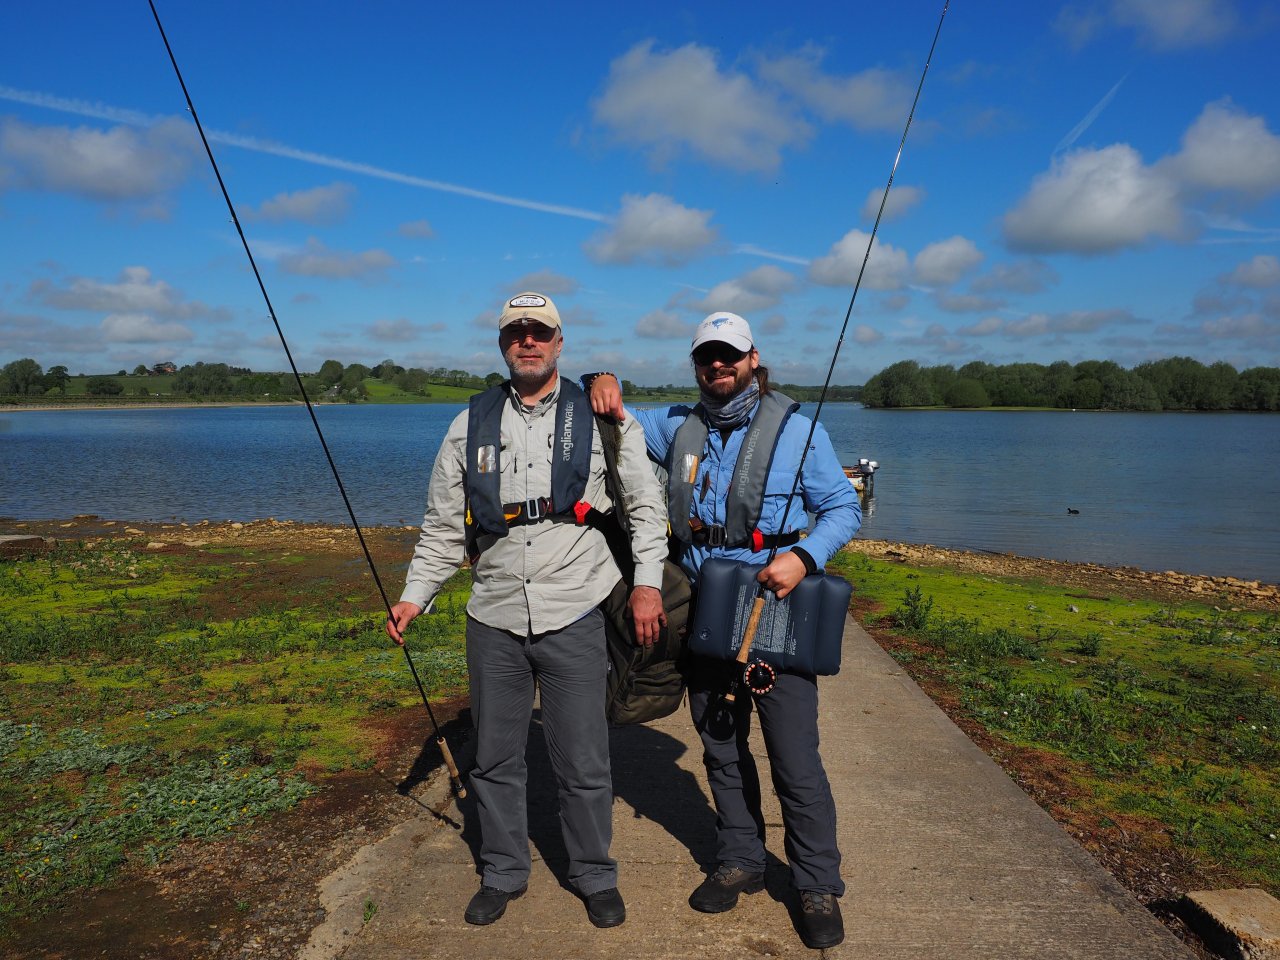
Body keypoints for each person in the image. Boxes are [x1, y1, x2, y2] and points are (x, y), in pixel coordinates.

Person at [385, 291, 668, 929]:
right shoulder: (468, 424)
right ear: (502, 343)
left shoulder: (603, 415)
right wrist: (413, 596)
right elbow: (442, 529)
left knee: (584, 759)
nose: (528, 341)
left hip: (577, 607)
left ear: (559, 342)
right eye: (517, 332)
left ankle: (593, 874)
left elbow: (647, 509)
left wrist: (647, 584)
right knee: (493, 758)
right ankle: (503, 871)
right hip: (494, 615)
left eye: (540, 331)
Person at [585, 311, 860, 949]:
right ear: (696, 364)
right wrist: (599, 377)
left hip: (774, 606)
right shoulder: (673, 425)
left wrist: (804, 556)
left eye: (730, 355)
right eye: (707, 355)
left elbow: (843, 507)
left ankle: (817, 881)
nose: (718, 365)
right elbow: (613, 416)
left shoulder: (801, 432)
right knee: (720, 746)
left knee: (795, 757)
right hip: (705, 611)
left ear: (752, 359)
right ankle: (740, 856)